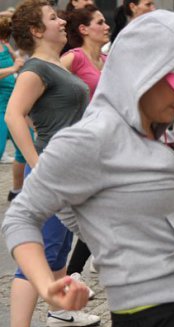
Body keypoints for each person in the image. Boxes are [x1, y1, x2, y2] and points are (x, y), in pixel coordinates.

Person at [3, 9, 174, 327]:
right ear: (141, 74)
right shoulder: (92, 138)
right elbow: (22, 215)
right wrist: (47, 287)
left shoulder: (161, 130)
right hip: (151, 313)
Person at [4, 1, 99, 326]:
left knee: (57, 249)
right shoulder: (36, 69)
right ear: (36, 30)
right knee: (38, 257)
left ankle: (61, 313)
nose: (62, 22)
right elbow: (13, 115)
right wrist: (38, 162)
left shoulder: (54, 65)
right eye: (53, 17)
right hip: (51, 172)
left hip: (68, 170)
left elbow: (35, 118)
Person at [60, 3, 109, 291]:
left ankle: (80, 268)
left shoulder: (106, 58)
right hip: (78, 146)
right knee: (93, 214)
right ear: (83, 29)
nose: (106, 26)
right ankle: (74, 272)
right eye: (100, 22)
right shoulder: (73, 58)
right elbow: (45, 86)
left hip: (104, 144)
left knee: (103, 211)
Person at [0, 16, 28, 203]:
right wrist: (13, 68)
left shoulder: (3, 45)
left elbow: (17, 58)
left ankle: (18, 191)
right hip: (1, 107)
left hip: (13, 105)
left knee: (25, 149)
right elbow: (11, 67)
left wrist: (17, 58)